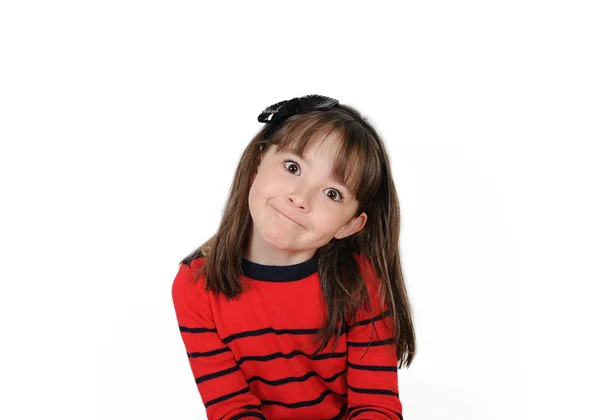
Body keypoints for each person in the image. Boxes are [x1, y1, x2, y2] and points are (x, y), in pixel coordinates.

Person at [171, 94, 416, 420]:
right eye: (292, 167)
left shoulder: (361, 283)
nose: (300, 198)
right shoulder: (196, 285)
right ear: (259, 161)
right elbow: (232, 410)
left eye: (332, 193)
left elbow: (375, 408)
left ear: (349, 225)